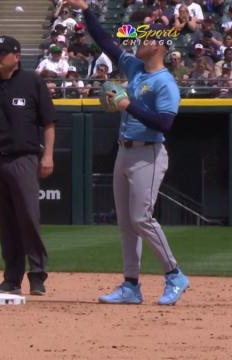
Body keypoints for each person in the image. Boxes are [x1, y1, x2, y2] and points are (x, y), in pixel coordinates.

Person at [66, 0, 190, 305]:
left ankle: (174, 274)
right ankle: (131, 285)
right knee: (126, 223)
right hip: (125, 151)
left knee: (141, 218)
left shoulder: (165, 82)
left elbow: (165, 123)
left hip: (148, 153)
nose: (139, 42)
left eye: (146, 39)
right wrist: (85, 10)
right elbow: (105, 40)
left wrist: (128, 105)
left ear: (159, 47)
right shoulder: (134, 67)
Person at [0, 35, 56, 296]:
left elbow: (49, 122)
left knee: (28, 217)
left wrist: (48, 155)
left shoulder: (32, 82)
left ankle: (37, 273)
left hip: (23, 159)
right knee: (6, 223)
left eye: (2, 52)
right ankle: (12, 277)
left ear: (16, 56)